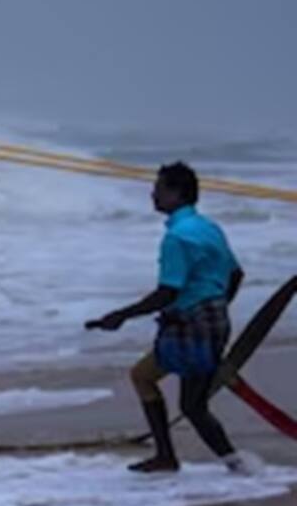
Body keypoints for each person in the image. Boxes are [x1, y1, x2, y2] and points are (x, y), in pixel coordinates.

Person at [85, 162, 248, 474]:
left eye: (158, 188)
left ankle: (221, 464)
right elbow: (236, 274)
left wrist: (121, 315)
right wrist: (215, 306)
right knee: (178, 395)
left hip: (190, 325)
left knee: (173, 394)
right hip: (213, 320)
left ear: (175, 193)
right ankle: (225, 464)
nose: (152, 195)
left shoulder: (177, 238)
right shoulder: (208, 227)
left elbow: (167, 293)